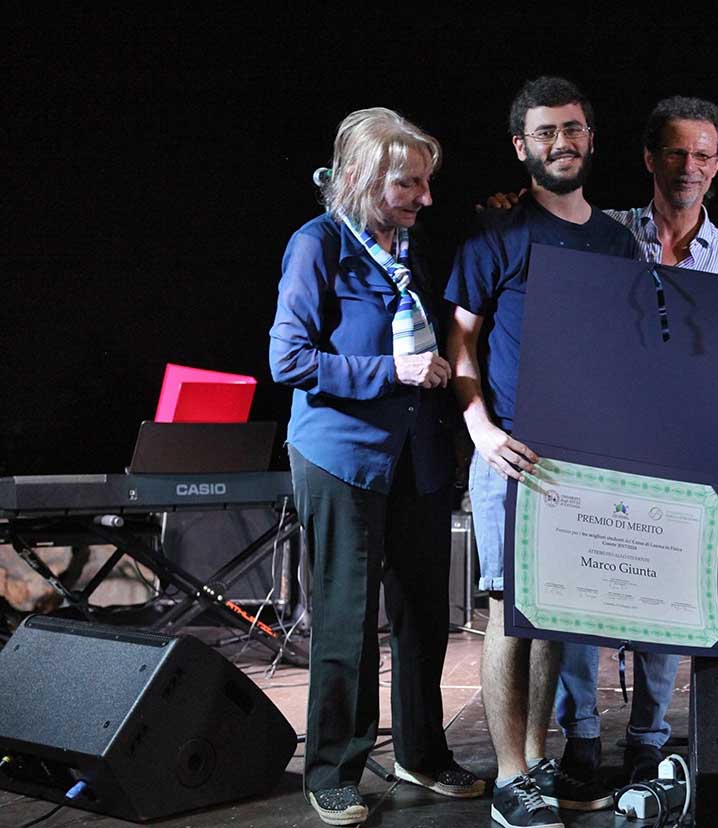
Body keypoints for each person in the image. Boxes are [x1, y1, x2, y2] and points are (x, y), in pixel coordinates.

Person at [552, 96, 718, 786]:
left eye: (702, 155)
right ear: (649, 158)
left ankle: (648, 736)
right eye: (676, 152)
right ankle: (581, 733)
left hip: (685, 451)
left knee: (666, 590)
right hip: (600, 438)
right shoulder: (605, 233)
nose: (689, 166)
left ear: (717, 166)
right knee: (583, 590)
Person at [270, 107, 483, 827]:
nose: (426, 197)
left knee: (424, 616)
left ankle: (421, 753)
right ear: (362, 178)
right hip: (341, 457)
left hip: (418, 457)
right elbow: (288, 358)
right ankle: (334, 769)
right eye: (408, 184)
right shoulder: (318, 244)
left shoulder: (412, 247)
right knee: (347, 620)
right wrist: (390, 370)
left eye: (426, 182)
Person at [445, 77, 638, 828]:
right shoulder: (496, 233)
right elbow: (461, 338)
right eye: (546, 132)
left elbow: (624, 347)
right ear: (521, 146)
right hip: (511, 450)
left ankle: (532, 762)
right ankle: (508, 778)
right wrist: (480, 429)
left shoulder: (615, 240)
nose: (563, 142)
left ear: (591, 137)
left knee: (554, 613)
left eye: (574, 129)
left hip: (580, 458)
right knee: (509, 609)